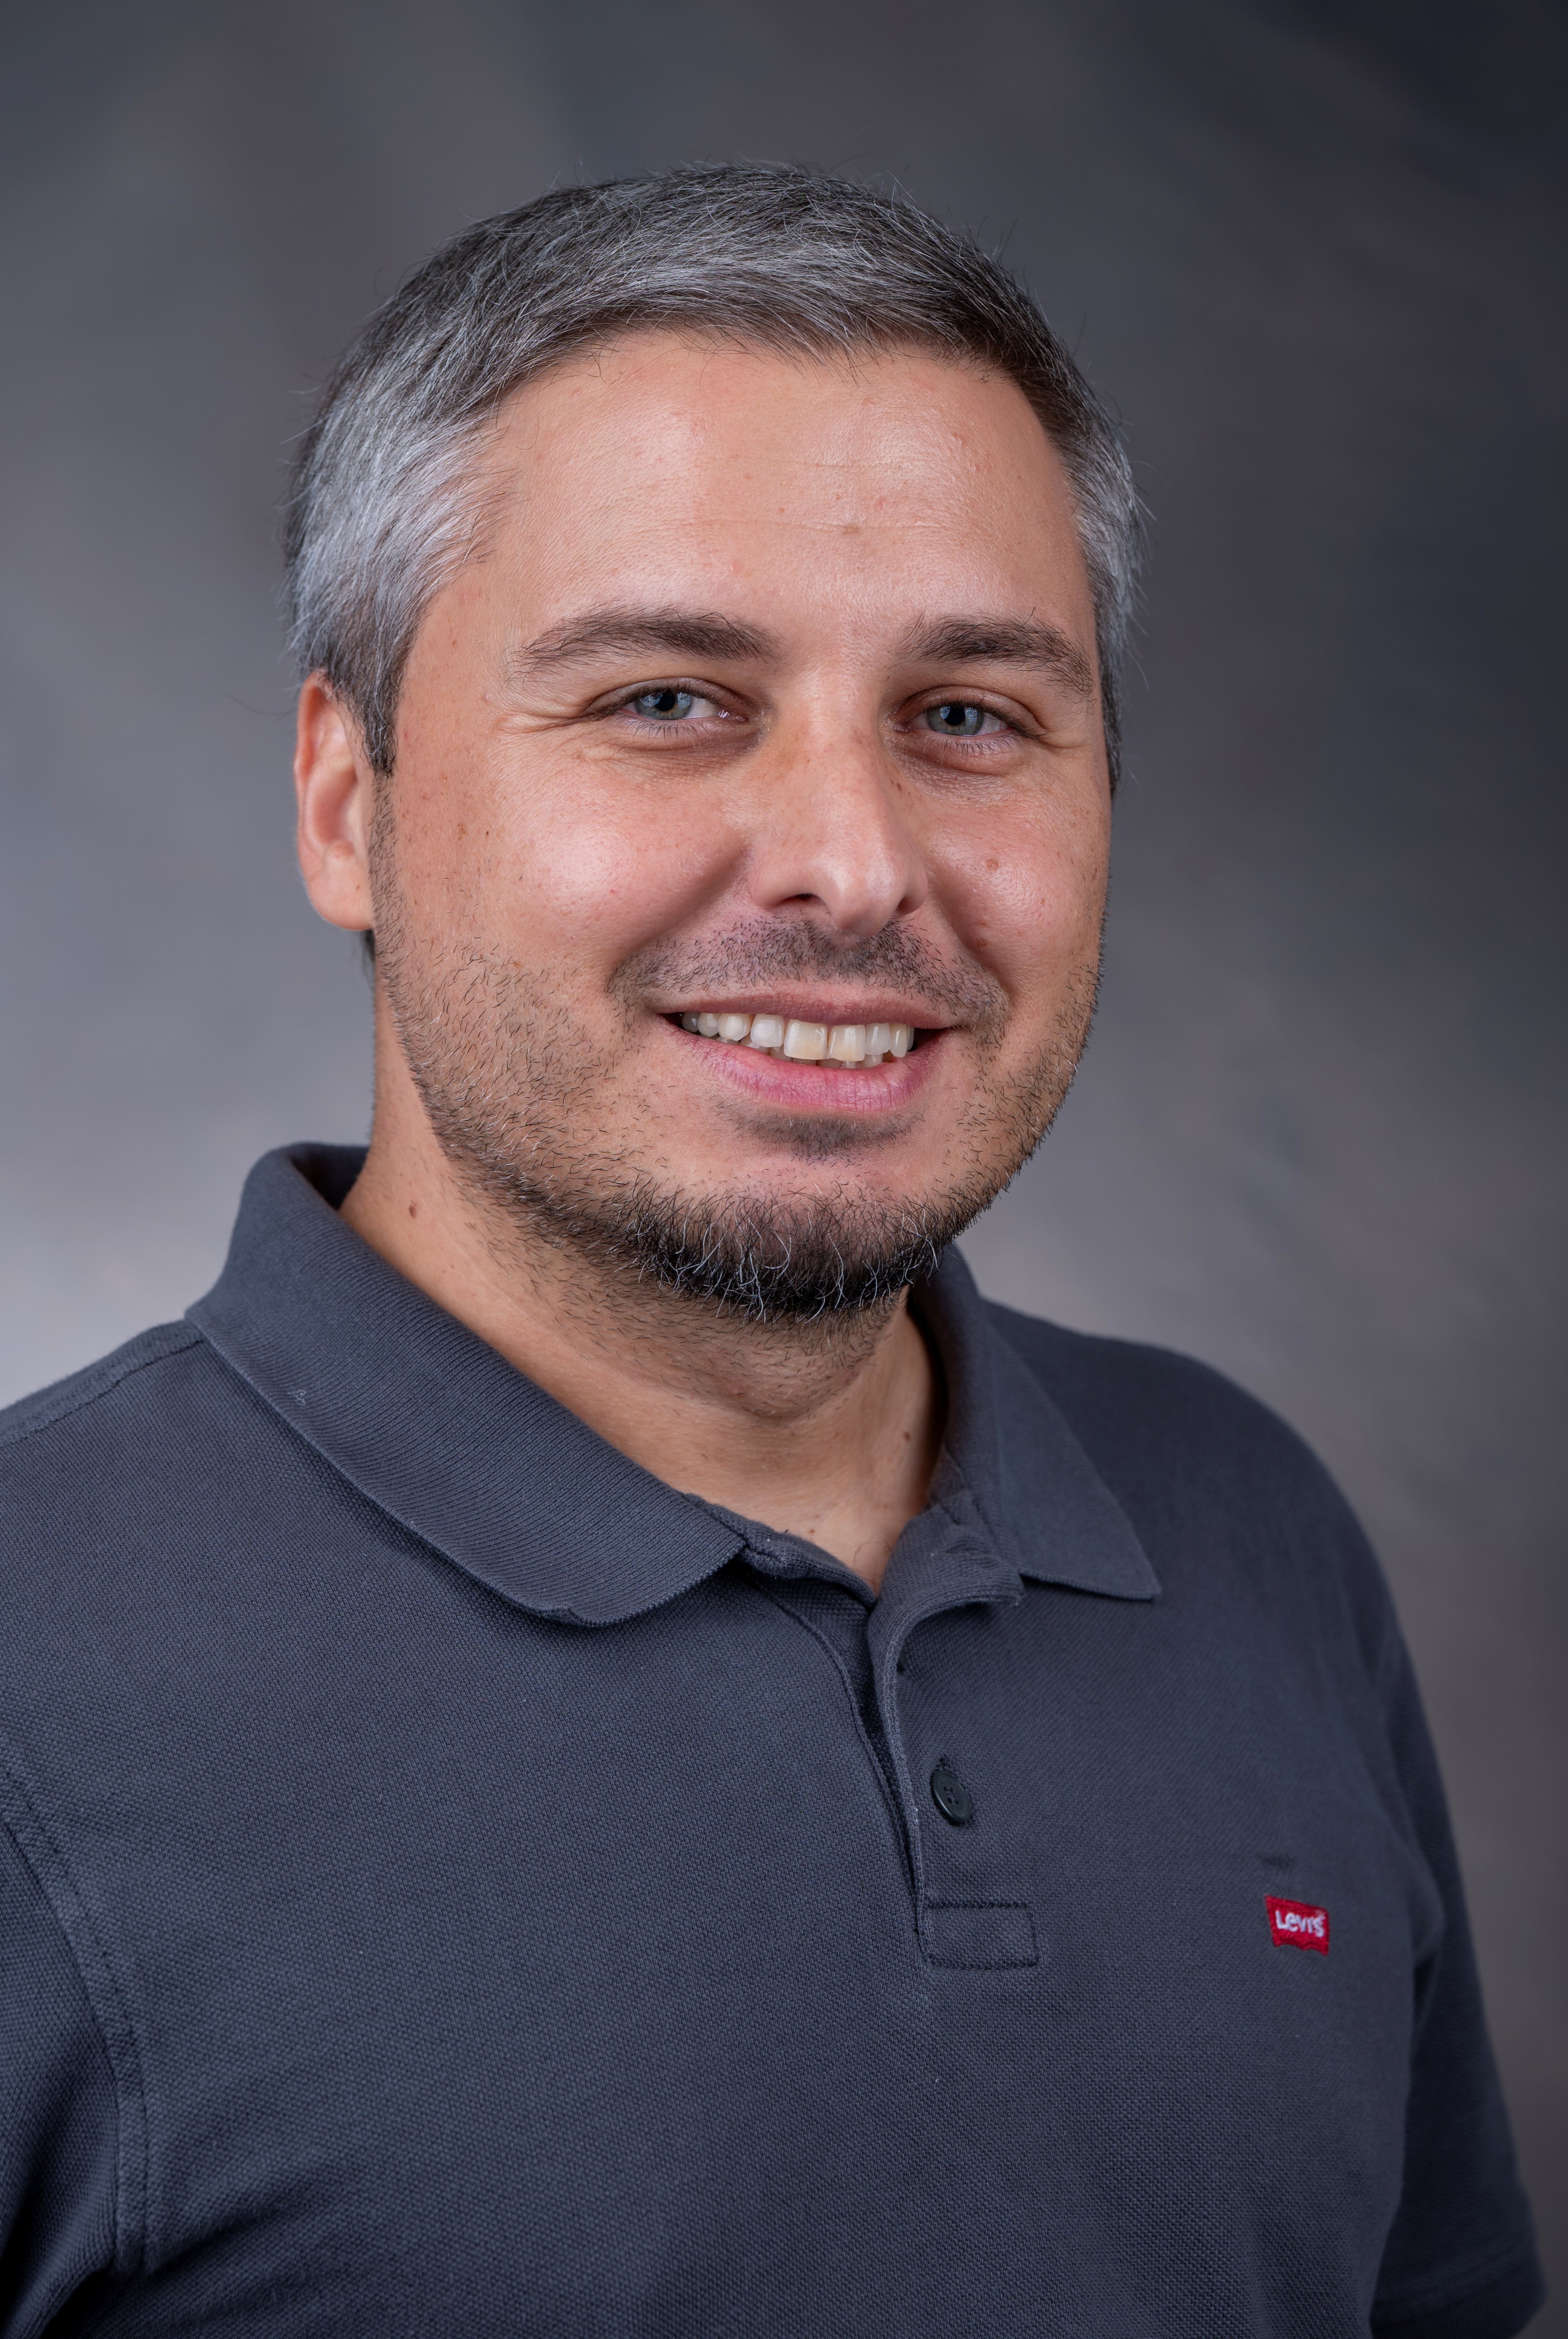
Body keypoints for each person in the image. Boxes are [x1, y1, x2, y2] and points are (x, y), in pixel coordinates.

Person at [0, 165, 1543, 2339]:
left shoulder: (1248, 1529)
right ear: (350, 800)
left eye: (969, 715)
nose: (853, 862)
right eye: (666, 699)